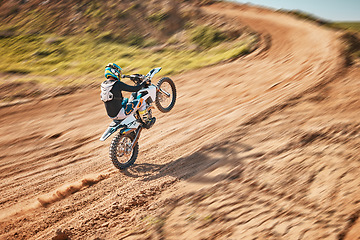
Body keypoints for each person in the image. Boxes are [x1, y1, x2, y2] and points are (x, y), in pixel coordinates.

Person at [100, 63, 155, 129]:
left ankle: (134, 117)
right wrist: (144, 83)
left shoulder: (103, 84)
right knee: (141, 101)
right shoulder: (117, 84)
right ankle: (147, 122)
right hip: (120, 113)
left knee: (126, 100)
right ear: (114, 72)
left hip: (111, 114)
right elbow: (134, 89)